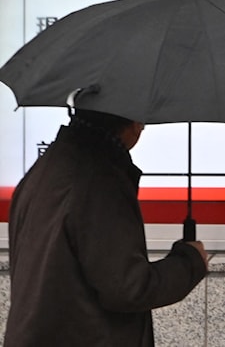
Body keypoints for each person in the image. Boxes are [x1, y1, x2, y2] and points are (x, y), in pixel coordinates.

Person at [4, 109, 208, 346]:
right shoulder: (99, 180)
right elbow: (128, 288)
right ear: (133, 123)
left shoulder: (48, 167)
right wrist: (190, 261)